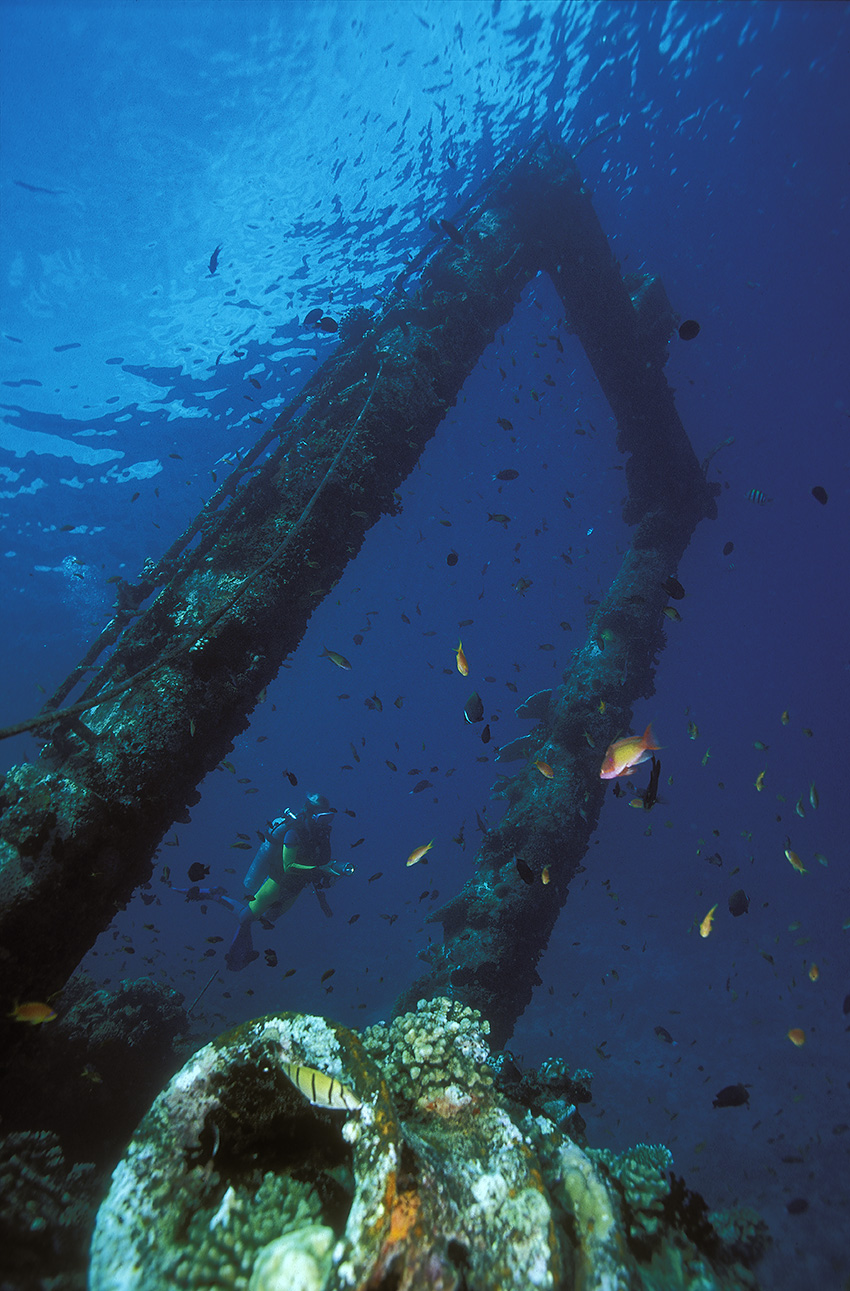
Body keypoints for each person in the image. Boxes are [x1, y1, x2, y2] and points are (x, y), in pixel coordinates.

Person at [224, 793, 353, 971]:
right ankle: (215, 895)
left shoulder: (322, 834)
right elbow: (289, 866)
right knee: (245, 917)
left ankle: (246, 932)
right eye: (322, 817)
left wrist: (331, 871)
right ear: (311, 813)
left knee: (269, 918)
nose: (326, 822)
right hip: (278, 881)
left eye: (329, 817)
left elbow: (320, 861)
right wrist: (318, 870)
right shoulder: (294, 831)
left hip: (296, 887)